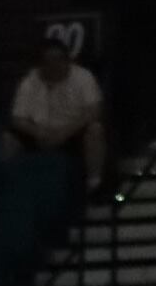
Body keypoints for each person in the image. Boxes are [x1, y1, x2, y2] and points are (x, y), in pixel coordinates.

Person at [8, 40, 108, 188]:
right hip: (40, 133)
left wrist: (64, 132)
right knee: (8, 139)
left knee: (95, 130)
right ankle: (9, 184)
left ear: (68, 61)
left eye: (59, 59)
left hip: (72, 132)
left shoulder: (83, 77)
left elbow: (94, 110)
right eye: (48, 61)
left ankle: (94, 184)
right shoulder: (29, 81)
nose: (54, 65)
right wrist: (38, 132)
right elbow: (17, 118)